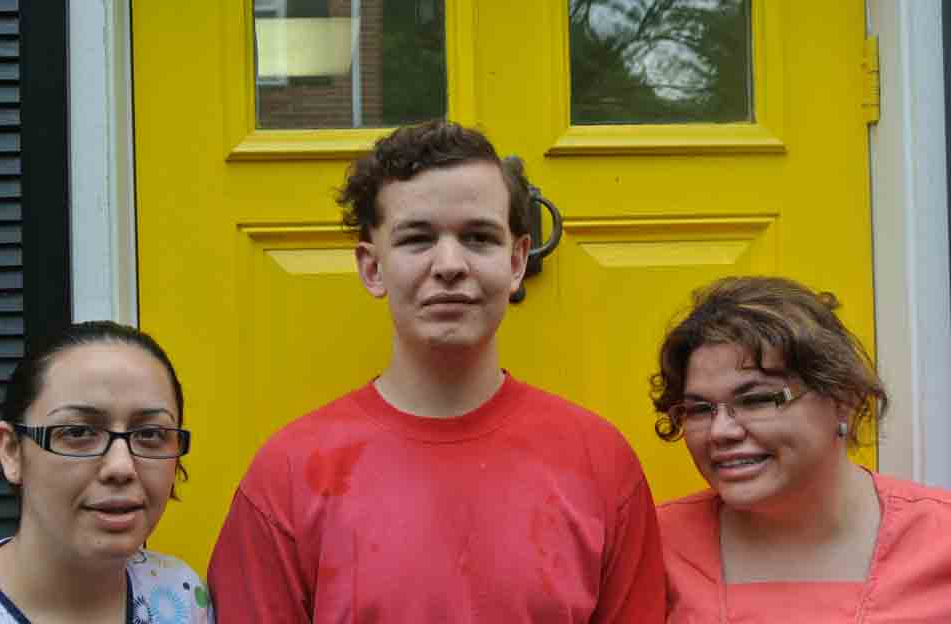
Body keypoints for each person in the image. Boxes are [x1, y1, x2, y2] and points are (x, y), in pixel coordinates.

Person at [207, 120, 666, 622]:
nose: (450, 264)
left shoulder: (601, 463)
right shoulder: (288, 475)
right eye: (417, 239)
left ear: (516, 261)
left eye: (478, 237)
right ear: (372, 268)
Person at [651, 276, 951, 622]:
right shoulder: (654, 545)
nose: (720, 431)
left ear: (842, 400)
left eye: (757, 400)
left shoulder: (941, 539)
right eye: (700, 409)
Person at [0, 321, 213, 623]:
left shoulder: (183, 597)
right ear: (11, 450)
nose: (121, 467)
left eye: (150, 434)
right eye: (78, 432)